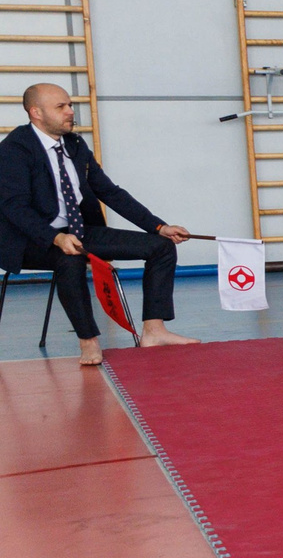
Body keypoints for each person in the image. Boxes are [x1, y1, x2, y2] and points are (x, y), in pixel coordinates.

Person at [0, 83, 199, 367]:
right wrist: (56, 239)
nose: (71, 111)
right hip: (31, 239)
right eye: (61, 107)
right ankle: (88, 340)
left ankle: (154, 331)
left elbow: (110, 192)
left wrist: (158, 227)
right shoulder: (14, 150)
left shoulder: (75, 144)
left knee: (161, 247)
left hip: (78, 231)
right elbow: (13, 207)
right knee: (69, 260)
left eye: (69, 104)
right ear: (36, 113)